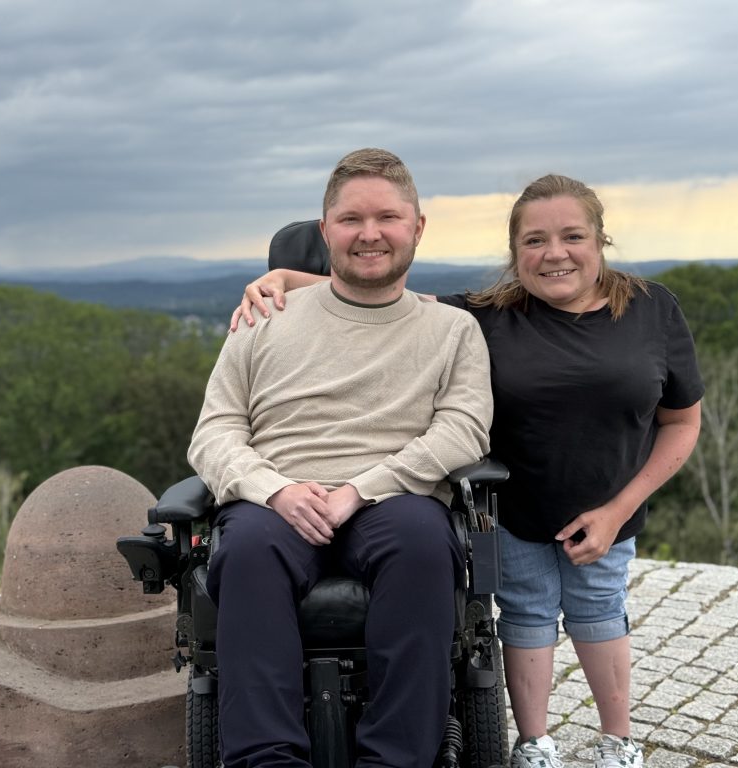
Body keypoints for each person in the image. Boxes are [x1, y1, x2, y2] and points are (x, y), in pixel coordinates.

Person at [230, 173, 704, 768]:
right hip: (517, 502)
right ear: (514, 253)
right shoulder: (486, 315)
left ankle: (617, 740)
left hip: (608, 500)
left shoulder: (652, 308)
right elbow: (378, 293)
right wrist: (286, 281)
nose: (553, 253)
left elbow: (682, 422)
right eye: (533, 241)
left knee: (599, 607)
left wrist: (620, 509)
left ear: (600, 240)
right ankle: (533, 744)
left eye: (571, 236)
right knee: (528, 610)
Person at [188, 148, 493, 768]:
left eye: (388, 218)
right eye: (351, 219)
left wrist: (363, 487)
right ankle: (267, 760)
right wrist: (271, 489)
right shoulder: (263, 318)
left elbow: (464, 429)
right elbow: (213, 431)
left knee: (422, 543)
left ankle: (395, 760)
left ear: (417, 228)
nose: (370, 234)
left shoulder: (453, 331)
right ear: (325, 229)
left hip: (393, 499)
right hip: (278, 498)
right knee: (246, 549)